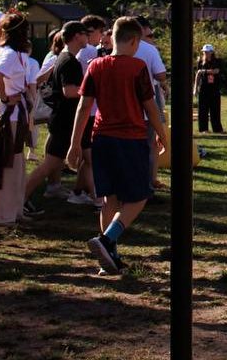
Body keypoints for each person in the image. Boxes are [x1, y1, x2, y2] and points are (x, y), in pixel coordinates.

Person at [66, 17, 166, 274]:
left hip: (100, 139)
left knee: (109, 198)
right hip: (129, 139)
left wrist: (75, 143)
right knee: (139, 196)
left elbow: (83, 106)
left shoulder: (96, 65)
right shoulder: (137, 67)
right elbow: (150, 108)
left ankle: (108, 257)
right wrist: (164, 135)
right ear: (134, 40)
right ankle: (108, 239)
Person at [24, 22, 88, 213]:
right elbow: (69, 91)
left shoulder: (63, 57)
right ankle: (20, 198)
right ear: (77, 36)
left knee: (55, 164)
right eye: (85, 33)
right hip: (64, 120)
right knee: (48, 165)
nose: (87, 37)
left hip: (61, 118)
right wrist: (91, 89)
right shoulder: (69, 61)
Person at [0, 12, 37, 226]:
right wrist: (4, 97)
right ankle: (1, 214)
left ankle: (15, 210)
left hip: (18, 114)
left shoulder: (13, 53)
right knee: (5, 165)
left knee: (16, 164)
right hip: (10, 115)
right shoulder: (7, 54)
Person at [67, 15, 108, 207]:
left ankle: (77, 191)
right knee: (93, 157)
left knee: (87, 156)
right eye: (100, 32)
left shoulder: (85, 52)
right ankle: (99, 198)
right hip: (91, 111)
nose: (101, 38)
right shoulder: (90, 52)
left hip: (90, 110)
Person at [134, 17, 168, 190]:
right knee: (148, 146)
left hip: (121, 107)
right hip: (146, 105)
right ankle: (145, 186)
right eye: (149, 33)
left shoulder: (111, 49)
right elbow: (160, 75)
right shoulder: (149, 50)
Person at [195, 44, 224, 134]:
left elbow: (216, 71)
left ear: (212, 52)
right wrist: (195, 88)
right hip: (203, 88)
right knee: (203, 109)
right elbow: (197, 75)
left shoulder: (217, 61)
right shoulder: (200, 62)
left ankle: (217, 129)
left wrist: (203, 71)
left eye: (207, 52)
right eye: (204, 52)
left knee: (215, 109)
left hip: (214, 88)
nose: (206, 53)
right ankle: (204, 129)